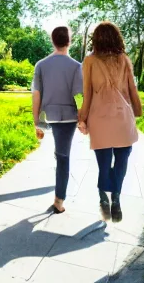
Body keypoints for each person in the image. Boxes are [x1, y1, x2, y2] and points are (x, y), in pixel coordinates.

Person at [77, 21, 141, 222]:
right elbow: (132, 89)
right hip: (122, 117)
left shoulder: (89, 61)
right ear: (117, 38)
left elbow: (87, 93)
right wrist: (137, 111)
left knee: (104, 164)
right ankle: (116, 199)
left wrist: (82, 119)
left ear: (95, 39)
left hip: (99, 118)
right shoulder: (124, 59)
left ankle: (103, 197)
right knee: (121, 162)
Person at [31, 26, 83, 214]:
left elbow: (37, 94)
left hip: (48, 115)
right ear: (70, 41)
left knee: (60, 153)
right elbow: (79, 97)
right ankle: (58, 201)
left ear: (52, 41)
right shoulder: (77, 66)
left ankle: (50, 140)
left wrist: (36, 121)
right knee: (63, 157)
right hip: (68, 117)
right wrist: (82, 120)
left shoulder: (41, 65)